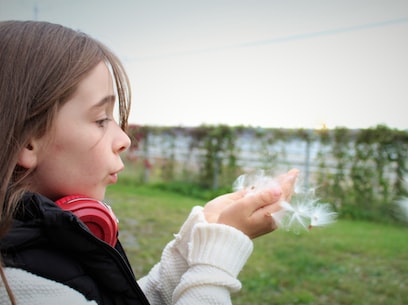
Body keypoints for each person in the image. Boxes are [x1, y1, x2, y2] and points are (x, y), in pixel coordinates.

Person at [0, 20, 299, 305]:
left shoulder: (47, 244)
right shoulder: (17, 288)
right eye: (101, 119)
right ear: (27, 141)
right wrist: (216, 261)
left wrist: (196, 239)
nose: (124, 140)